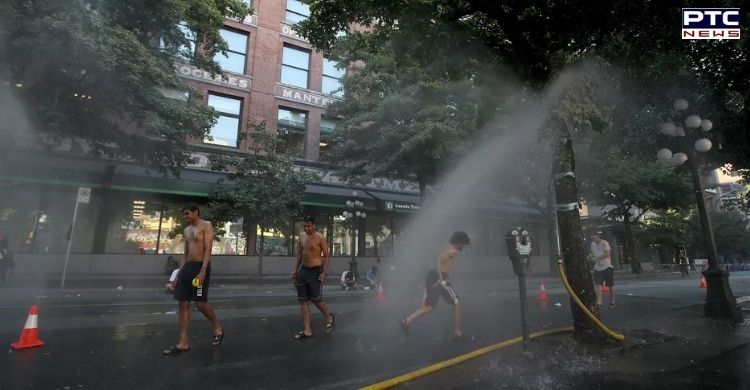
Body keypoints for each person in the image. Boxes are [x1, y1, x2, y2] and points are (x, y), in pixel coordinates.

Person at [163, 205, 223, 355]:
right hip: (187, 268)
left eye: (187, 214)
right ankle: (183, 343)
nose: (186, 217)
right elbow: (185, 254)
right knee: (183, 304)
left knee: (200, 303)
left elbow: (208, 249)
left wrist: (203, 270)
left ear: (196, 212)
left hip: (200, 267)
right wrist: (177, 275)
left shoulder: (206, 225)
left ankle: (217, 326)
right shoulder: (186, 230)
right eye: (184, 215)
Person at [399, 231, 470, 340]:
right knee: (456, 302)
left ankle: (406, 321)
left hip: (432, 277)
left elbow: (437, 258)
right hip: (438, 279)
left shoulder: (446, 246)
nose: (464, 247)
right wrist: (441, 277)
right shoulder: (452, 250)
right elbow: (438, 260)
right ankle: (457, 333)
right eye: (464, 244)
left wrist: (444, 271)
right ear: (459, 242)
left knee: (429, 308)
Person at [290, 216, 334, 339]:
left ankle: (329, 317)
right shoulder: (302, 236)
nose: (307, 228)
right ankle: (307, 330)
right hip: (303, 270)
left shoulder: (320, 238)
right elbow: (300, 254)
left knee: (316, 299)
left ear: (314, 225)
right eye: (305, 226)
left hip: (316, 271)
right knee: (303, 300)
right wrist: (296, 270)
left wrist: (324, 272)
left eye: (309, 226)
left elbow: (326, 255)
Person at [590, 232, 615, 308]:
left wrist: (596, 258)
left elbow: (607, 254)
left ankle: (613, 300)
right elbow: (593, 253)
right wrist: (589, 256)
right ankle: (599, 302)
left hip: (607, 267)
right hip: (597, 267)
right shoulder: (593, 244)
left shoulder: (605, 243)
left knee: (610, 285)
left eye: (595, 238)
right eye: (592, 238)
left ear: (599, 237)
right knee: (598, 284)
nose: (594, 240)